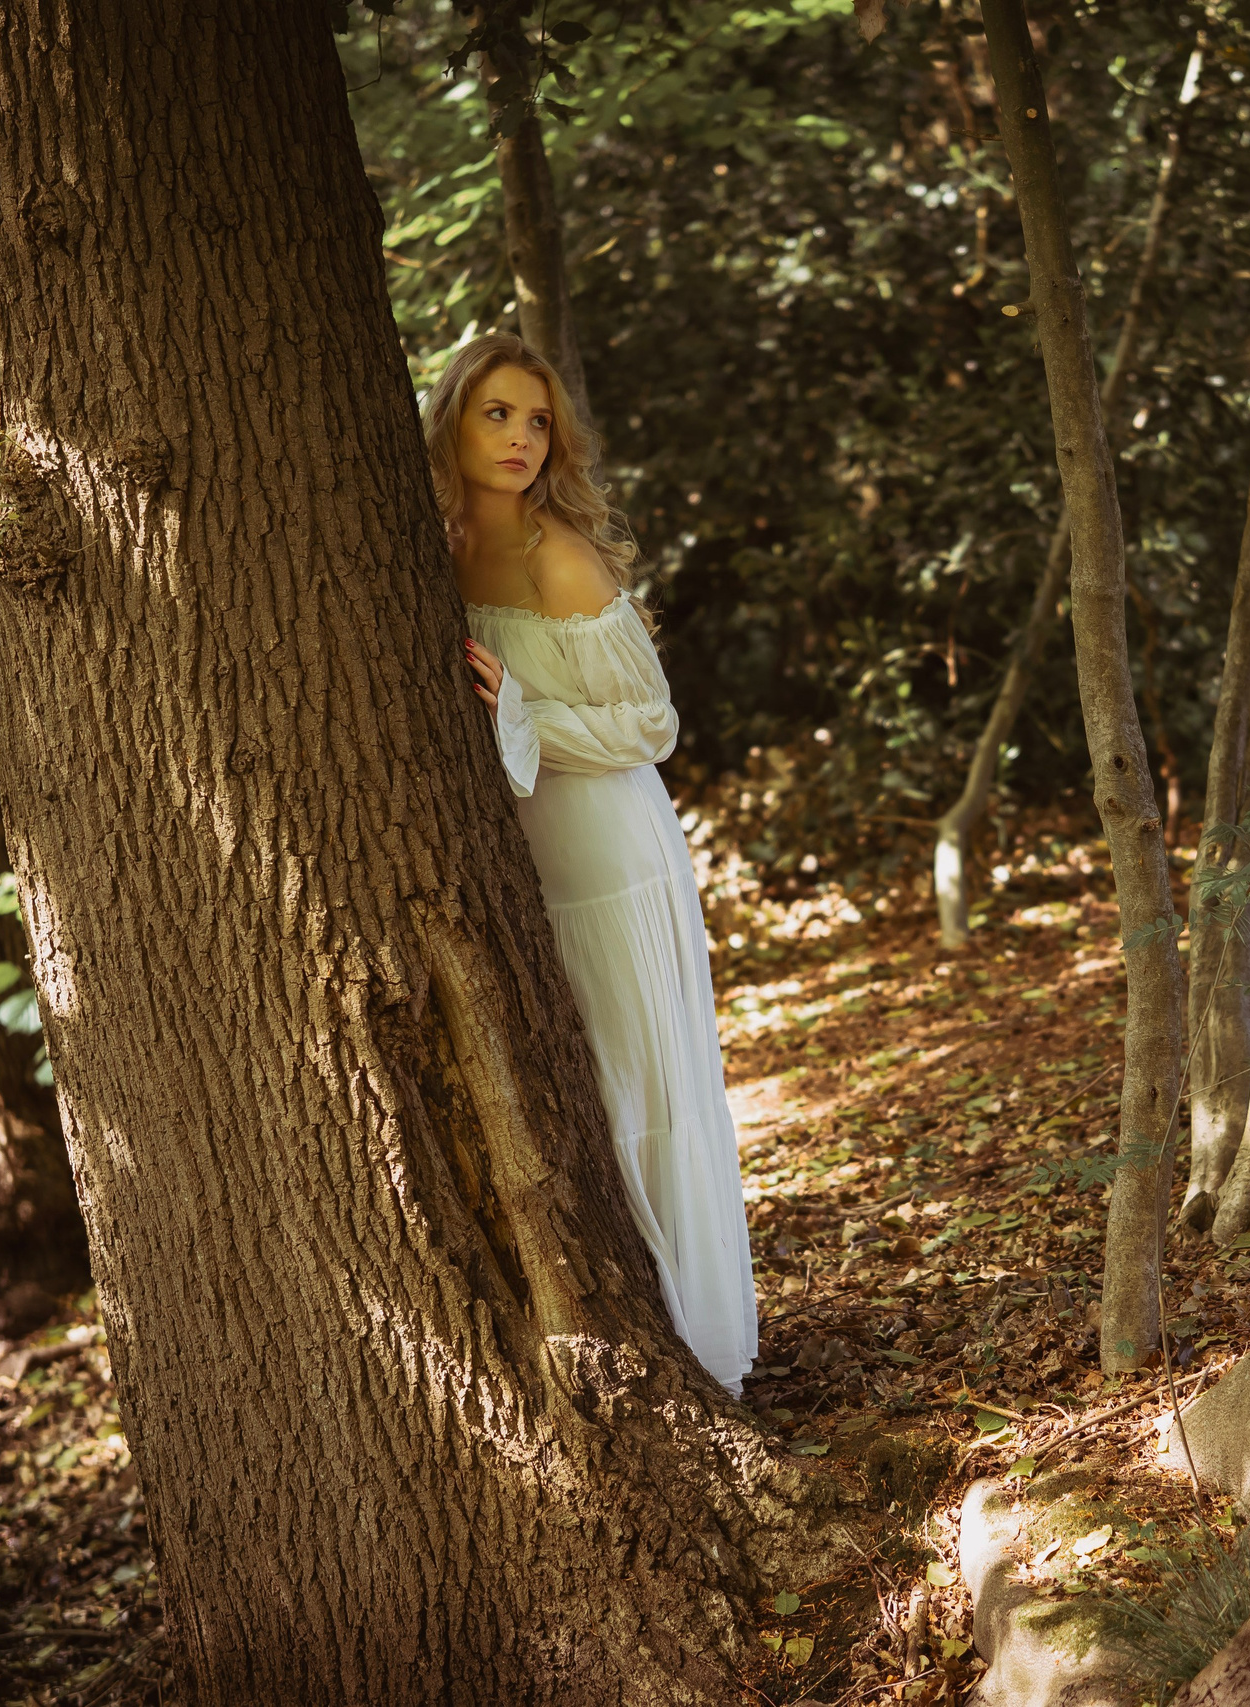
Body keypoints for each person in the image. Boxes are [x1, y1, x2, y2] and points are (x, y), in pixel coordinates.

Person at [422, 332, 758, 1399]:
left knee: (637, 1077)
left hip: (612, 847)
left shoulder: (556, 554)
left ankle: (692, 1339)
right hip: (525, 860)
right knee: (569, 1082)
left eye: (537, 420)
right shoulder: (425, 541)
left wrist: (521, 714)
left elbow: (651, 722)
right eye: (497, 415)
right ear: (452, 420)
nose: (522, 438)